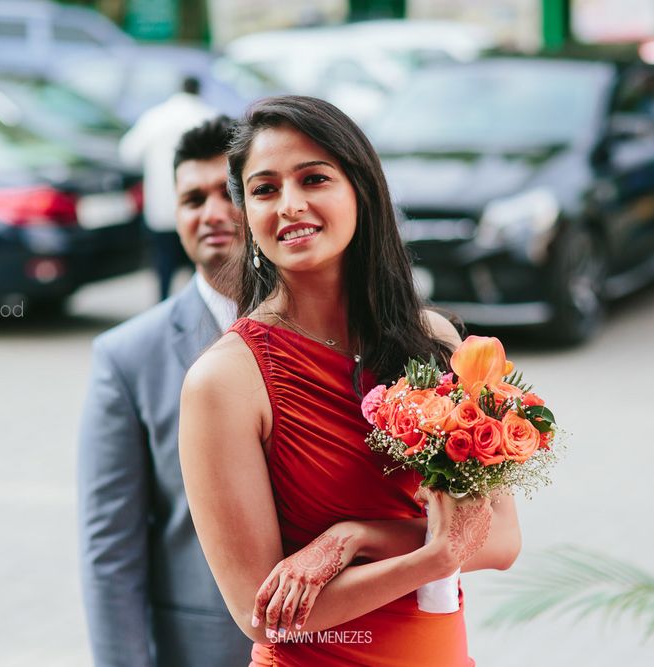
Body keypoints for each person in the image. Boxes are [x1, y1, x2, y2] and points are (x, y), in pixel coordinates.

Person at [178, 96, 522, 666]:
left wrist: (352, 539)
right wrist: (431, 558)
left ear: (361, 189)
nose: (289, 205)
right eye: (265, 189)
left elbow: (503, 539)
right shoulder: (225, 379)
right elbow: (261, 614)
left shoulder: (433, 339)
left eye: (314, 178)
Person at [78, 117, 252, 667]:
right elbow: (110, 548)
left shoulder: (327, 328)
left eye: (227, 193)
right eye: (191, 199)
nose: (210, 213)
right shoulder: (126, 357)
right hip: (204, 647)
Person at [120, 76, 218, 301]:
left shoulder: (155, 117)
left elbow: (128, 153)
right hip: (202, 209)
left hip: (161, 208)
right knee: (201, 267)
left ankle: (163, 307)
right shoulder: (209, 115)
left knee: (164, 264)